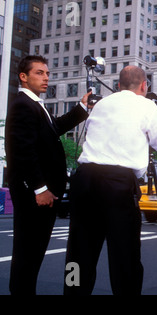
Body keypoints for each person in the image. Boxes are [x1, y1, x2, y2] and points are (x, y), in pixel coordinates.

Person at [64, 66, 157, 295]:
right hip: (117, 183)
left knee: (78, 252)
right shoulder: (146, 105)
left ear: (118, 86)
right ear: (144, 86)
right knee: (125, 254)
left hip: (84, 180)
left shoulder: (102, 103)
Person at [5, 55, 92, 295]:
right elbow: (22, 150)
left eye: (47, 73)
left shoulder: (35, 105)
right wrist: (39, 188)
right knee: (27, 255)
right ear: (23, 77)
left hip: (43, 194)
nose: (46, 78)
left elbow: (54, 128)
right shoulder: (23, 104)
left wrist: (82, 108)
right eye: (39, 73)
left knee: (32, 255)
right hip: (35, 196)